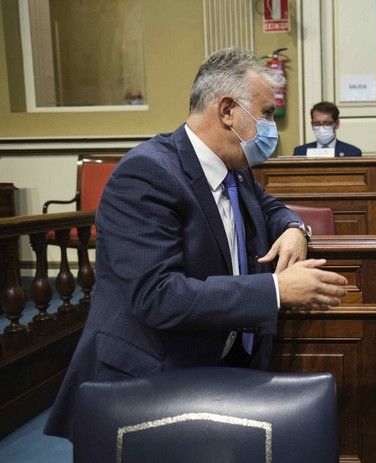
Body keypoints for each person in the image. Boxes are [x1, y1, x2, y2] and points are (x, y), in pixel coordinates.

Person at [44, 47, 348, 442]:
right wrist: (276, 290)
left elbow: (271, 207)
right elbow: (157, 295)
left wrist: (294, 229)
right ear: (227, 111)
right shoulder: (148, 173)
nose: (273, 127)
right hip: (148, 380)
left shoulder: (232, 166)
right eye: (267, 113)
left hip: (216, 365)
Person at [293, 101, 362, 157]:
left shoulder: (353, 153)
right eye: (317, 124)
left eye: (327, 123)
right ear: (312, 125)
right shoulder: (300, 152)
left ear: (337, 124)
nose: (321, 128)